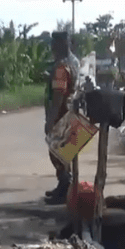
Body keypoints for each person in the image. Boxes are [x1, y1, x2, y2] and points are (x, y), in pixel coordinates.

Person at [44, 32, 80, 204]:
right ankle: (63, 186)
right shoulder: (73, 64)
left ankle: (64, 190)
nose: (52, 47)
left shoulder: (61, 68)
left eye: (54, 43)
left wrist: (51, 119)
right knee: (65, 153)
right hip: (70, 113)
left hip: (61, 115)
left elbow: (58, 94)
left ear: (60, 44)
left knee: (57, 153)